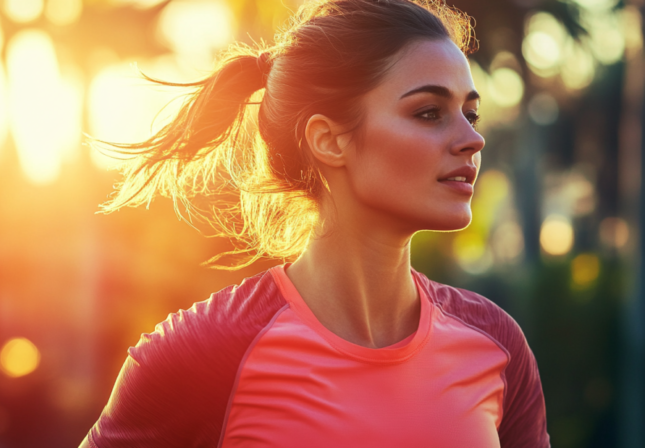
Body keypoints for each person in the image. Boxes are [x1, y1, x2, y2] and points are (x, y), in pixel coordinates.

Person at [80, 0, 550, 446]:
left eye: (470, 114)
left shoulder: (497, 345)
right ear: (328, 140)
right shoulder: (205, 353)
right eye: (429, 113)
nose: (473, 139)